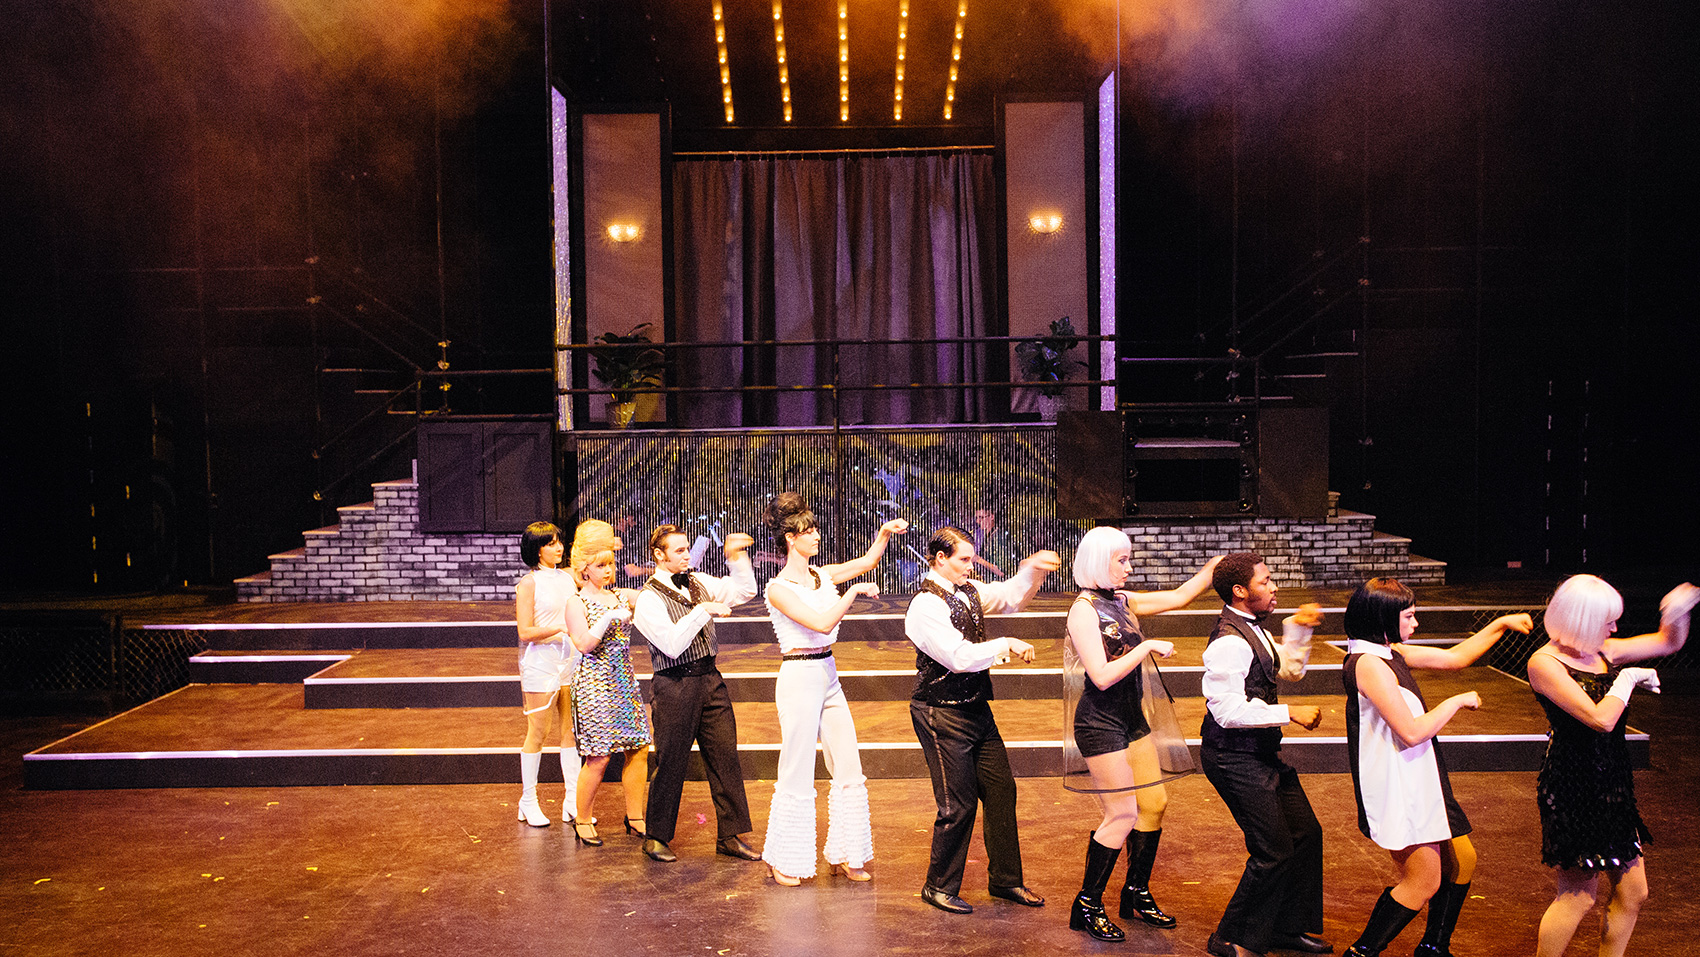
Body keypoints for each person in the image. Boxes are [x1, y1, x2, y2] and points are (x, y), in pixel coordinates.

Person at [1338, 579, 1533, 957]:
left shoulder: (1388, 652)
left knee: (1463, 859)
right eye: (1408, 616)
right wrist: (1455, 702)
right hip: (1400, 784)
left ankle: (1433, 947)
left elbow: (1456, 658)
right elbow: (1411, 732)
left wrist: (1501, 623)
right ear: (1383, 620)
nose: (1415, 624)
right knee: (1422, 881)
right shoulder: (1368, 665)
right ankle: (1362, 952)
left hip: (1421, 776)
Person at [1063, 526, 1221, 941]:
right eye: (1122, 560)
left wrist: (1213, 570)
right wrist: (1146, 647)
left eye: (1129, 559)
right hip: (1100, 723)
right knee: (1122, 814)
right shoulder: (1084, 610)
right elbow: (1100, 676)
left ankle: (1135, 892)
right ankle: (1087, 904)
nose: (1129, 568)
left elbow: (1178, 597)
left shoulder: (1122, 601)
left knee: (1153, 803)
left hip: (1131, 719)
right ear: (1099, 560)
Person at [1528, 575, 1696, 957]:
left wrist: (1677, 611)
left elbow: (1669, 641)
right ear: (1582, 619)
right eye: (1607, 620)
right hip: (1574, 786)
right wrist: (1628, 679)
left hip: (1612, 782)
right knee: (1578, 896)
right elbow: (1600, 719)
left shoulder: (1601, 650)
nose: (1615, 628)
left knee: (1635, 893)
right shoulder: (1545, 663)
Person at [905, 526, 1060, 915]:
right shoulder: (926, 605)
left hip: (975, 708)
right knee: (957, 805)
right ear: (940, 559)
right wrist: (1005, 644)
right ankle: (938, 886)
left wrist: (1034, 571)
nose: (970, 566)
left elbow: (1009, 595)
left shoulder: (968, 591)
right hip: (940, 711)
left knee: (1001, 791)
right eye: (963, 559)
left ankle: (1006, 880)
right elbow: (957, 657)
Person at [758, 492, 908, 885]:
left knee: (848, 762)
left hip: (827, 673)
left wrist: (883, 534)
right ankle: (785, 859)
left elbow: (867, 562)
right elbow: (821, 623)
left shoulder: (820, 574)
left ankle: (846, 852)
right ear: (791, 538)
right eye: (809, 532)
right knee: (797, 766)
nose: (817, 537)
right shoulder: (778, 588)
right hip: (799, 676)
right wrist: (854, 594)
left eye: (816, 530)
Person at [1200, 552, 1332, 957]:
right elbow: (1225, 710)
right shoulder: (1228, 641)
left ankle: (1285, 928)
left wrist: (1299, 630)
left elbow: (1285, 670)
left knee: (1306, 834)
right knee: (1272, 850)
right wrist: (1288, 713)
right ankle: (1230, 937)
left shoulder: (1253, 629)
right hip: (1232, 756)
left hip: (1260, 752)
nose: (1274, 587)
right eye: (1266, 581)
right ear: (1240, 592)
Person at [630, 523, 761, 863]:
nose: (687, 554)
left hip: (709, 679)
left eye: (688, 548)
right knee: (672, 760)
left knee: (724, 756)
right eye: (678, 550)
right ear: (659, 556)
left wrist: (736, 556)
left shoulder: (698, 581)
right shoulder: (647, 599)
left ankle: (730, 835)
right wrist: (703, 610)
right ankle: (656, 837)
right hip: (675, 683)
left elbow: (744, 591)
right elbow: (672, 646)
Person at [513, 520, 613, 828]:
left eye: (560, 542)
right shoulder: (528, 583)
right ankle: (528, 799)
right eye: (551, 544)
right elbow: (524, 630)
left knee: (570, 731)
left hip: (571, 660)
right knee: (538, 733)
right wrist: (558, 628)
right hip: (541, 663)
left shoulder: (569, 578)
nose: (559, 548)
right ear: (537, 549)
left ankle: (572, 800)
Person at [566, 520, 649, 848]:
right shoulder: (577, 603)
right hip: (594, 686)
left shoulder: (619, 596)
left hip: (624, 682)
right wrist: (608, 617)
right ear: (585, 569)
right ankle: (582, 819)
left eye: (611, 564)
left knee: (639, 749)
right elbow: (584, 644)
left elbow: (652, 597)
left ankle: (635, 815)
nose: (608, 570)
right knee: (598, 757)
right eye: (601, 565)